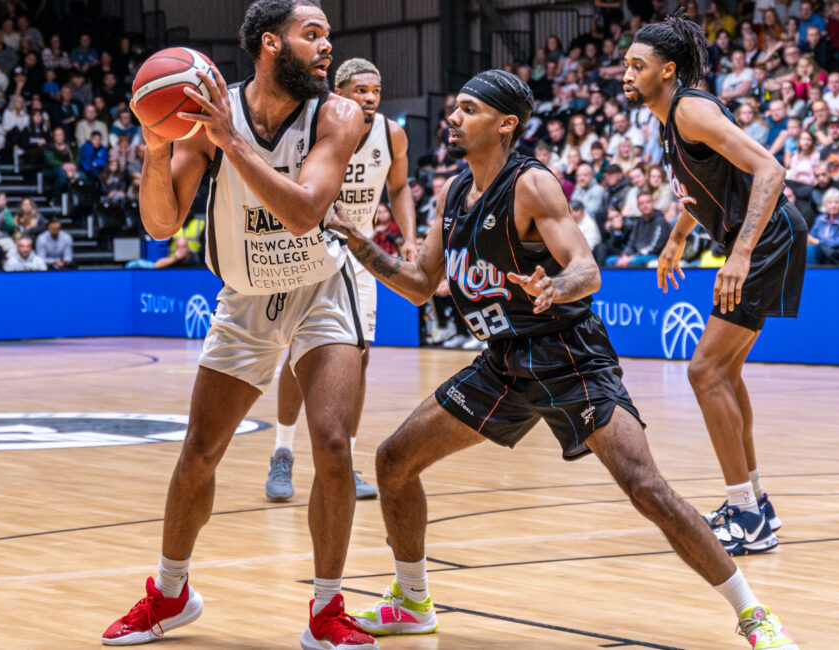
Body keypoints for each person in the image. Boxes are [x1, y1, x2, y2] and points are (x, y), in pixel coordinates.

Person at [326, 67, 797, 650]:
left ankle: (754, 615)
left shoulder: (532, 185)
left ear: (505, 124)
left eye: (467, 109)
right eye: (455, 108)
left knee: (646, 487)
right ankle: (414, 600)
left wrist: (558, 287)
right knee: (394, 460)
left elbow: (586, 269)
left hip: (569, 357)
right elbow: (422, 285)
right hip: (502, 362)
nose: (452, 118)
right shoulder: (450, 195)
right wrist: (358, 241)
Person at [100, 3, 378, 649]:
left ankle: (328, 610)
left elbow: (308, 212)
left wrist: (231, 141)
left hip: (320, 289)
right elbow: (162, 224)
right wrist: (156, 146)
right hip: (246, 298)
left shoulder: (336, 113)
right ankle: (170, 595)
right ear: (267, 43)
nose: (326, 46)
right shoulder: (209, 115)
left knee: (333, 443)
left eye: (328, 36)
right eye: (313, 35)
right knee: (199, 454)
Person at [628, 15, 807, 568]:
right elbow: (698, 191)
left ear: (669, 70)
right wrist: (677, 239)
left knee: (703, 370)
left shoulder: (690, 108)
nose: (626, 72)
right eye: (627, 63)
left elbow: (770, 170)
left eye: (638, 65)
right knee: (723, 372)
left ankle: (745, 515)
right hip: (761, 235)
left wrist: (743, 251)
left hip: (768, 235)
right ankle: (756, 505)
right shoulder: (667, 121)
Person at [266, 57, 418, 504]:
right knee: (299, 354)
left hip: (360, 253)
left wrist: (409, 238)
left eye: (376, 90)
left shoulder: (391, 134)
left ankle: (345, 460)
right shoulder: (319, 124)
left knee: (360, 356)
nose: (370, 97)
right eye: (360, 89)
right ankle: (282, 452)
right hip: (309, 248)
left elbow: (400, 187)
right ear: (340, 91)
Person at [806, 189, 839, 264]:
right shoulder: (820, 219)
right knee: (809, 249)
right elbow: (811, 238)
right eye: (830, 202)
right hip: (822, 254)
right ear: (825, 205)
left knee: (812, 249)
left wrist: (818, 242)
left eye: (837, 202)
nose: (833, 206)